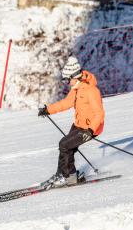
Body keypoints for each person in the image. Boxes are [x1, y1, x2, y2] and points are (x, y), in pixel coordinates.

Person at [38, 56, 105, 187]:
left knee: (64, 144)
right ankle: (63, 174)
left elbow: (99, 113)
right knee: (67, 147)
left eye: (67, 79)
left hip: (91, 128)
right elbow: (67, 103)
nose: (66, 82)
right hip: (79, 125)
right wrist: (48, 110)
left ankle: (67, 176)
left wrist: (90, 130)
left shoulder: (91, 91)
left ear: (75, 76)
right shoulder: (76, 88)